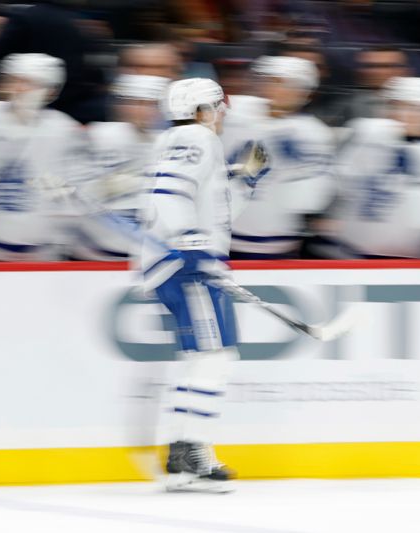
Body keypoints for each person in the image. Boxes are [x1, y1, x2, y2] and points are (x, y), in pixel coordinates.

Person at [141, 78, 262, 492]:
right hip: (187, 263)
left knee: (202, 357)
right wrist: (189, 240)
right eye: (218, 107)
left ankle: (182, 452)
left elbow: (216, 210)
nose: (223, 114)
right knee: (215, 356)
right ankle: (193, 449)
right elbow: (169, 192)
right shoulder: (195, 136)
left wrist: (244, 180)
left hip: (186, 260)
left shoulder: (188, 141)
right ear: (202, 109)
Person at [0, 53, 88, 261]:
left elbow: (71, 190)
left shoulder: (62, 129)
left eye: (30, 83)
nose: (19, 88)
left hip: (39, 254)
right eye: (15, 80)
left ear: (51, 90)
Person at [333, 77, 420, 258]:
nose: (402, 114)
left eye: (415, 108)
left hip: (409, 260)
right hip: (353, 252)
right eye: (397, 106)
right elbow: (342, 183)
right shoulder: (369, 135)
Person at [221, 56, 335, 259]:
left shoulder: (311, 133)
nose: (273, 89)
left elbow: (308, 200)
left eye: (284, 83)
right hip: (221, 236)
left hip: (274, 243)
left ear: (305, 92)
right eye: (270, 81)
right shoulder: (235, 113)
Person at [70, 73, 169, 261]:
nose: (144, 111)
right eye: (137, 103)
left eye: (151, 104)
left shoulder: (169, 143)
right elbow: (71, 193)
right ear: (122, 105)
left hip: (145, 256)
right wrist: (104, 188)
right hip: (93, 253)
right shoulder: (98, 136)